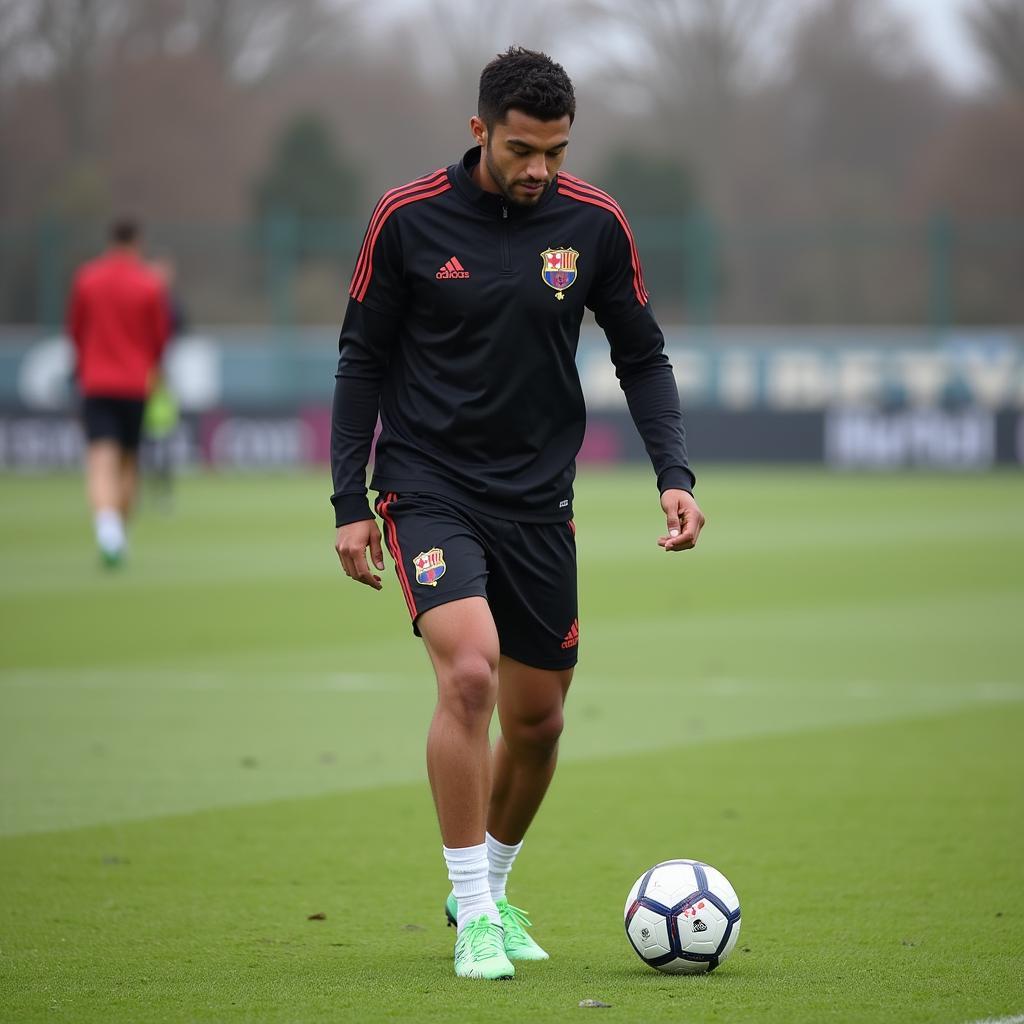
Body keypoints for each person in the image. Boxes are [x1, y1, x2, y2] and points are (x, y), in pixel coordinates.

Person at [330, 47, 704, 980]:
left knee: (537, 728)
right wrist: (350, 501)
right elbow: (360, 360)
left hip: (540, 499)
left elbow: (643, 357)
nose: (540, 169)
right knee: (469, 675)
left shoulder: (597, 224)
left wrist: (675, 472)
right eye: (523, 149)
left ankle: (486, 893)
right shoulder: (407, 219)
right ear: (479, 132)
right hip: (426, 486)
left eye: (557, 151)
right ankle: (476, 915)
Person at [67, 217, 170, 566]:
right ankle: (117, 535)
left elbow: (75, 331)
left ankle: (108, 532)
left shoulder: (87, 279)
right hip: (135, 384)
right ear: (137, 242)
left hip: (95, 381)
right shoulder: (149, 284)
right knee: (128, 463)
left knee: (100, 459)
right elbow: (159, 339)